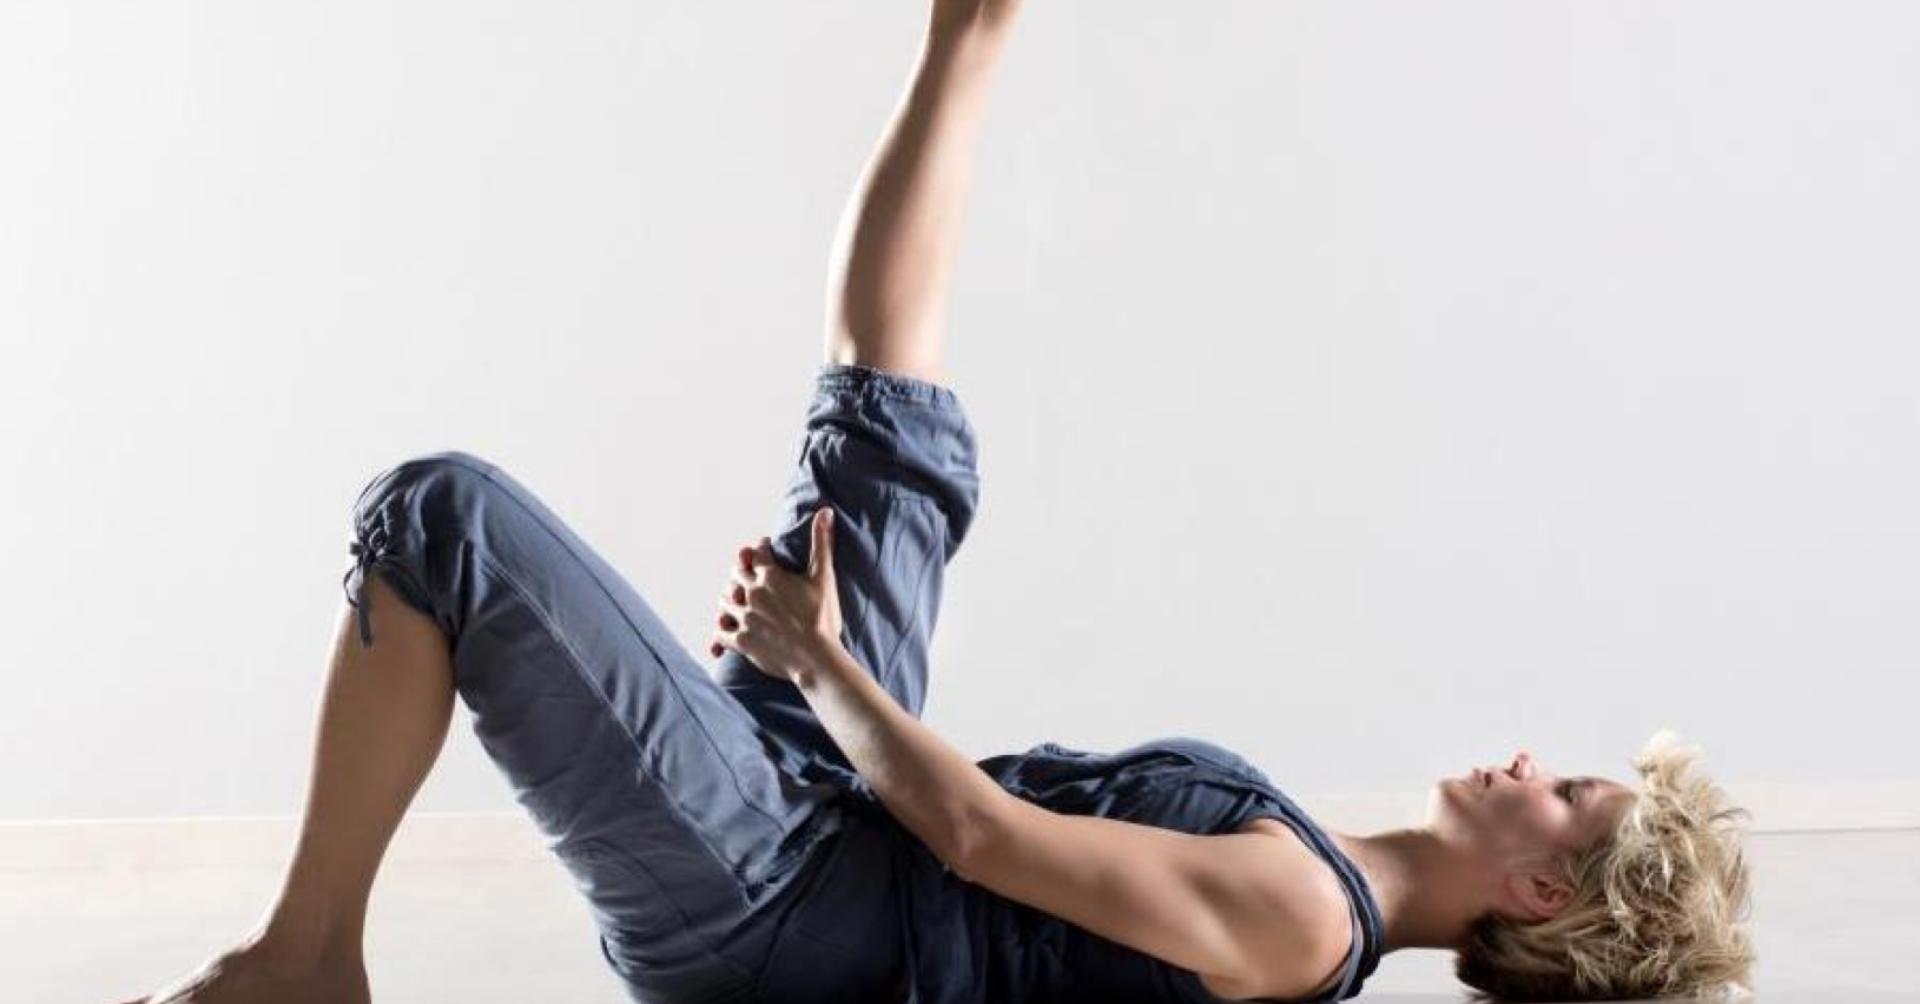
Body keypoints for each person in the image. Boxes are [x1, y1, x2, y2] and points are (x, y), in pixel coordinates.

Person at [116, 2, 1754, 1002]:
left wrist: (820, 664)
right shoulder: (1317, 871)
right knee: (888, 428)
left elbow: (978, 836)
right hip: (841, 830)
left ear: (1541, 893)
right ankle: (970, 27)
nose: (1535, 764)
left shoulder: (1298, 913)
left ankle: (308, 961)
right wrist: (828, 680)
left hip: (778, 914)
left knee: (440, 518)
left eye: (1569, 793)